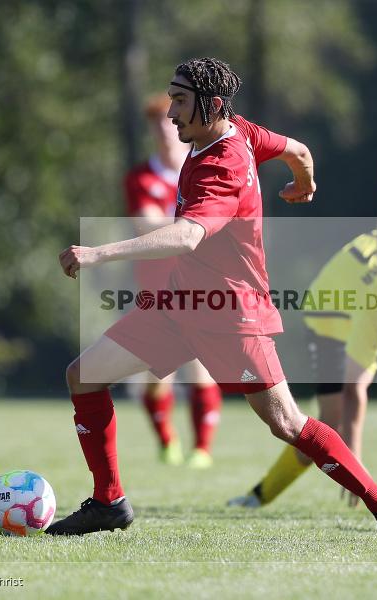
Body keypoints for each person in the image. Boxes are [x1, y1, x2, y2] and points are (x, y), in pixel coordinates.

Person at [48, 57, 377, 540]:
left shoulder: (222, 166)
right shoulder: (240, 130)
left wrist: (98, 253)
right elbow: (299, 150)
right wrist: (304, 183)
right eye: (172, 99)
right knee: (83, 375)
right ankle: (108, 502)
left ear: (213, 104)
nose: (171, 113)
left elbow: (187, 237)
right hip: (179, 304)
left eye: (180, 101)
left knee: (287, 423)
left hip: (230, 315)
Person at [228, 228, 377, 512]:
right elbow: (354, 390)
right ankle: (259, 495)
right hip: (332, 312)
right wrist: (355, 463)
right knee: (331, 422)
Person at [124, 94, 223, 469]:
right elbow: (147, 225)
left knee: (199, 366)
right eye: (157, 124)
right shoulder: (141, 177)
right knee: (157, 375)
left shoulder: (203, 167)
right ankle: (167, 441)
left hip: (198, 286)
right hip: (156, 289)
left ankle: (202, 450)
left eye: (170, 121)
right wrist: (193, 228)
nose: (165, 130)